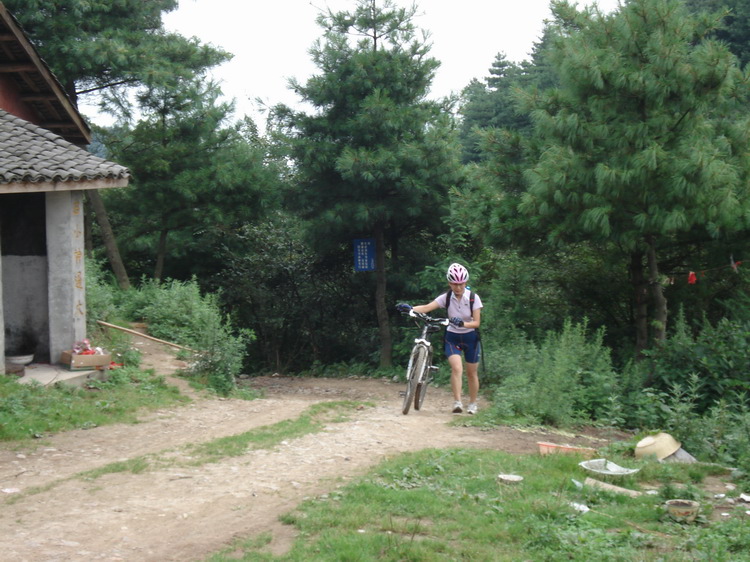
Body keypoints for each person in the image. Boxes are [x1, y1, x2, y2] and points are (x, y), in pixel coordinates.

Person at [397, 263, 483, 414]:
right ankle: (457, 402)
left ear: (466, 282)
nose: (458, 287)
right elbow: (427, 308)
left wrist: (462, 323)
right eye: (454, 284)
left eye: (461, 284)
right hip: (452, 337)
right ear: (449, 283)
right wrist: (410, 308)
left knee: (471, 373)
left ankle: (472, 403)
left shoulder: (473, 298)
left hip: (470, 337)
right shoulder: (446, 297)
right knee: (457, 368)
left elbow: (476, 323)